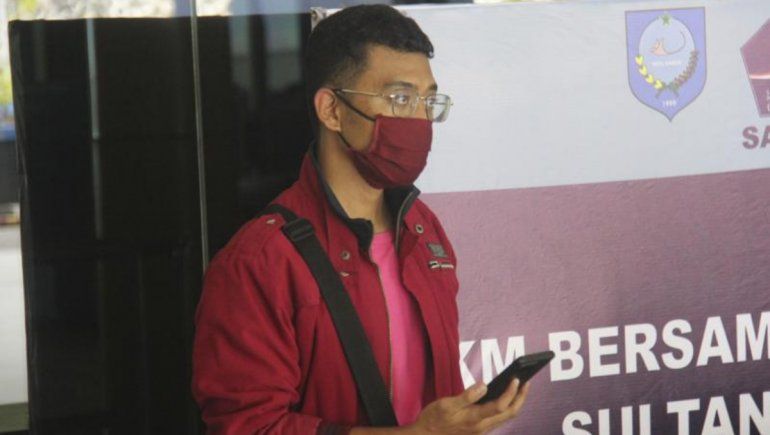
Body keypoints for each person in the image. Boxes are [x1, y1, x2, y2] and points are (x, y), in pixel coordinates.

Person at [192, 5, 530, 434]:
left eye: (429, 100)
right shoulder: (258, 262)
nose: (420, 119)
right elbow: (248, 428)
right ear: (331, 110)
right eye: (401, 98)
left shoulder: (424, 231)